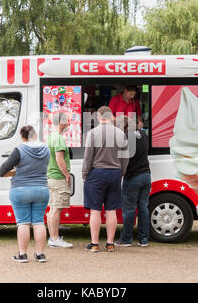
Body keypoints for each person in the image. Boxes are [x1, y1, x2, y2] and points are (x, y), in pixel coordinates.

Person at [0, 126, 50, 263]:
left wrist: (15, 171)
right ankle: (40, 254)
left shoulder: (19, 150)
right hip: (41, 190)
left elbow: (1, 171)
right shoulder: (46, 149)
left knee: (23, 223)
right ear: (36, 135)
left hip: (21, 190)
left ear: (23, 137)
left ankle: (22, 254)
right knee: (38, 222)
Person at [82, 106, 129, 252]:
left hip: (97, 173)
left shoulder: (93, 133)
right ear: (111, 117)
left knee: (95, 210)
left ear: (99, 117)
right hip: (114, 173)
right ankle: (110, 243)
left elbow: (88, 156)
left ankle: (94, 243)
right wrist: (121, 173)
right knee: (111, 210)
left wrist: (85, 174)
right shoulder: (121, 134)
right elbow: (125, 158)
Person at [113, 115, 151, 247]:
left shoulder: (125, 138)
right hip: (146, 175)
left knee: (129, 209)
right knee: (143, 208)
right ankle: (143, 239)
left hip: (133, 177)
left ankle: (126, 239)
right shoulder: (143, 134)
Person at [46, 112, 73, 248]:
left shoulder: (50, 136)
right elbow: (59, 159)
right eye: (67, 120)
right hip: (58, 177)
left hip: (51, 176)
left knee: (53, 208)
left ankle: (53, 237)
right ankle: (55, 238)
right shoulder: (59, 139)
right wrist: (67, 175)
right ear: (62, 122)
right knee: (57, 208)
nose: (68, 122)